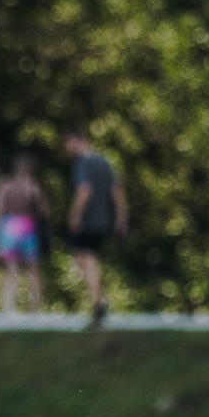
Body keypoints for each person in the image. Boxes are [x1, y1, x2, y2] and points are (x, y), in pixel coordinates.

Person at [64, 130, 127, 325]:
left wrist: (74, 216)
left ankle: (99, 301)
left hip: (89, 220)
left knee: (86, 256)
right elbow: (116, 190)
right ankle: (99, 296)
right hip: (105, 220)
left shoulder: (83, 162)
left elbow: (85, 190)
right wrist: (121, 217)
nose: (66, 148)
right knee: (85, 256)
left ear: (78, 140)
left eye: (68, 142)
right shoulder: (104, 161)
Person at [0, 153, 47, 315]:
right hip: (28, 227)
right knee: (33, 269)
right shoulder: (33, 186)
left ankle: (8, 307)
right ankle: (36, 307)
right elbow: (43, 212)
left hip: (8, 227)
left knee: (11, 268)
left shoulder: (4, 185)